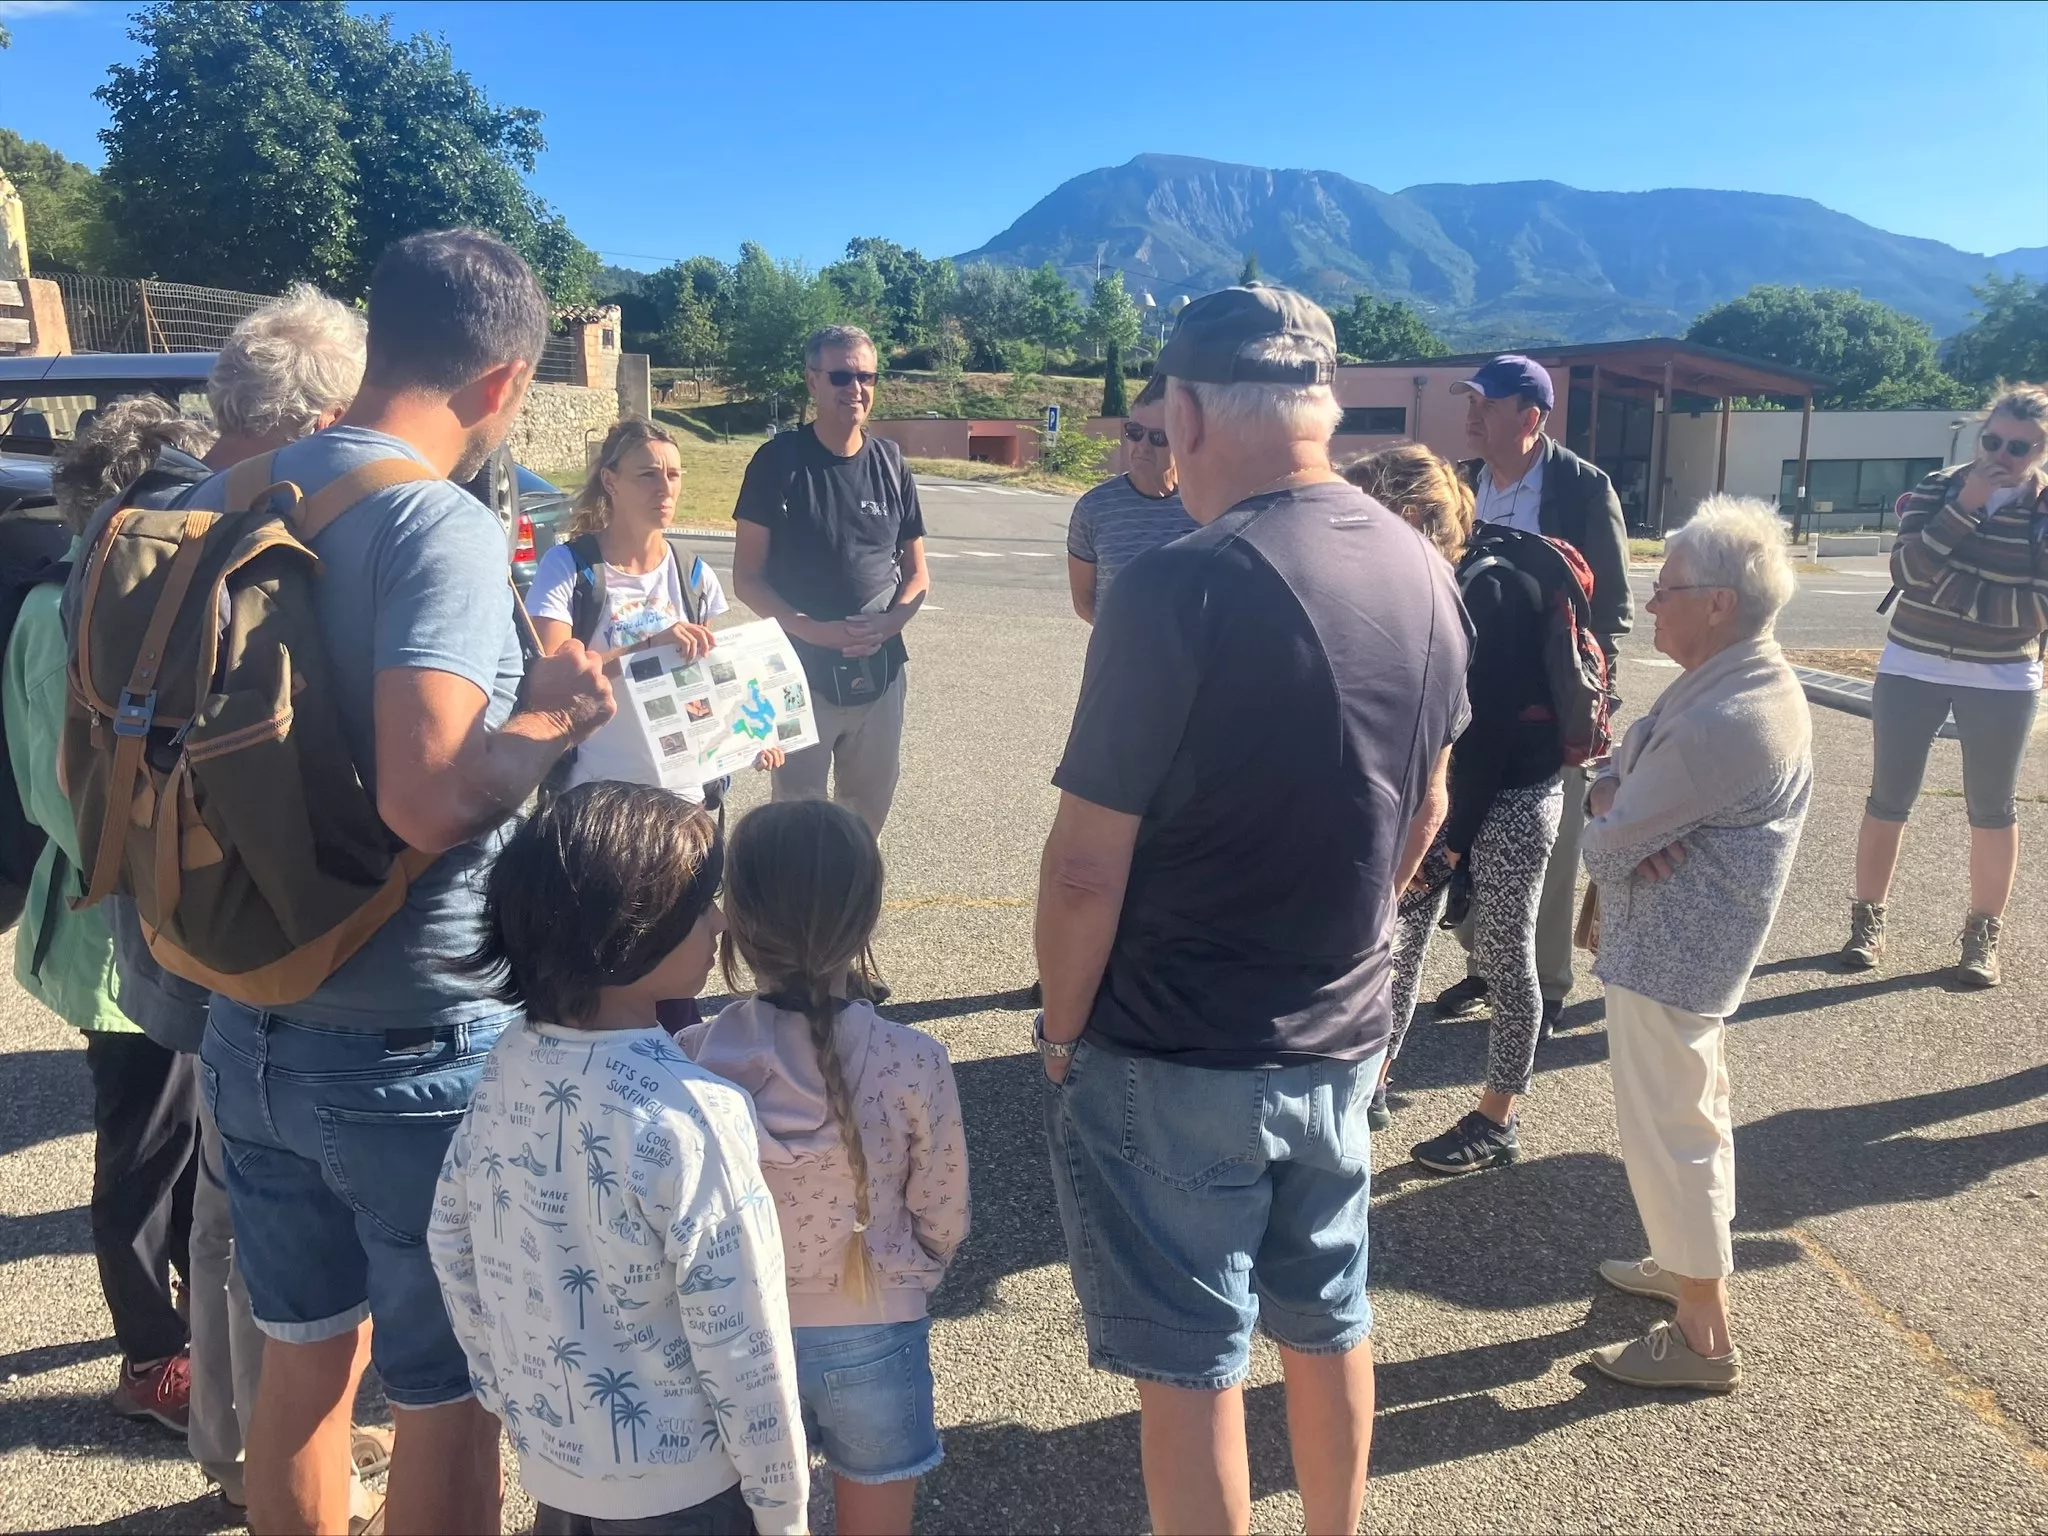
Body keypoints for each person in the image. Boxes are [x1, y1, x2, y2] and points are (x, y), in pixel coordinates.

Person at [187, 228, 615, 1536]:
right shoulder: (434, 517)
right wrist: (554, 717)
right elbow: (427, 795)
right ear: (501, 385)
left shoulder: (243, 486)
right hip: (406, 1053)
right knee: (449, 1395)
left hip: (245, 1019)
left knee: (306, 1364)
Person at [1035, 286, 1468, 1535]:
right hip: (1338, 1032)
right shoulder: (1422, 567)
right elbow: (1427, 809)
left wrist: (1062, 1032)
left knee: (1190, 1365)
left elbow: (1081, 868)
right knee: (1328, 1323)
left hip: (1174, 1042)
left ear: (1181, 410)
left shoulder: (1177, 584)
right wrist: (1350, 938)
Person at [77, 286, 394, 1521]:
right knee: (242, 1205)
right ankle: (264, 1455)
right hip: (238, 930)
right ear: (317, 415)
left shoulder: (135, 520)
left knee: (230, 1188)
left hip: (162, 917)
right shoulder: (236, 534)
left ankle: (249, 1435)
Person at [429, 782, 808, 1536]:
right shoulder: (697, 1113)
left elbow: (450, 1240)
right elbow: (744, 1340)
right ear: (629, 936)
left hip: (559, 1471)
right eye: (698, 907)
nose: (719, 922)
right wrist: (784, 1511)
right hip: (686, 1490)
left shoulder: (507, 1067)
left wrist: (513, 1395)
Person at [682, 799, 969, 1536]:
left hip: (736, 1336)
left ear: (736, 923)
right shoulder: (915, 1061)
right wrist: (907, 1272)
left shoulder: (694, 1056)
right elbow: (943, 1211)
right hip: (876, 1323)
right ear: (867, 916)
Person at [1580, 495, 1809, 1393]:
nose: (1650, 604)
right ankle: (1686, 1270)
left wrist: (1618, 808)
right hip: (1679, 948)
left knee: (1673, 1130)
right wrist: (1625, 798)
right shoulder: (1736, 674)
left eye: (1666, 588)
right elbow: (1625, 765)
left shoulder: (1726, 713)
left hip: (1674, 953)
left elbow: (1606, 839)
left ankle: (1704, 1336)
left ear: (1718, 600)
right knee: (1689, 1118)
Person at [15, 400, 213, 1438]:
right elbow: (59, 793)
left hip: (151, 919)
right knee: (142, 1143)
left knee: (180, 1132)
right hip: (117, 925)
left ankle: (189, 1322)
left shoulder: (88, 598)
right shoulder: (64, 609)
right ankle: (150, 1356)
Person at [1345, 444, 1564, 1171]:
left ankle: (1498, 1117)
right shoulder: (1425, 582)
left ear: (1408, 516)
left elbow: (1491, 736)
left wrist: (1451, 846)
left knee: (1505, 952)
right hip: (1448, 793)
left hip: (1509, 794)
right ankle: (1375, 1080)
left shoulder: (1488, 594)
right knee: (1401, 948)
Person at [1436, 354, 1630, 1036]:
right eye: (1469, 402)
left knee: (1543, 855)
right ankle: (1491, 966)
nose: (1471, 416)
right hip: (1464, 701)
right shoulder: (1460, 484)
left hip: (1549, 705)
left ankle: (1542, 985)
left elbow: (1611, 612)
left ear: (1530, 417)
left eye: (1484, 405)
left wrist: (1591, 703)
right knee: (1455, 841)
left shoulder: (1582, 488)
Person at [1840, 384, 2048, 987]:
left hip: (2004, 675)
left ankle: (1982, 939)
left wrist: (1950, 591)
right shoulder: (1940, 487)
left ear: (2039, 449)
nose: (2001, 454)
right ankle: (1866, 924)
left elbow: (2038, 609)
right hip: (1913, 663)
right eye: (1992, 440)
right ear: (1979, 434)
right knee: (1888, 797)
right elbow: (1907, 570)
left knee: (1992, 807)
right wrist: (1969, 505)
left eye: (2019, 446)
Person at [732, 324, 930, 837]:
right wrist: (811, 629)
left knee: (864, 824)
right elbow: (747, 578)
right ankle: (792, 918)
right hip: (801, 672)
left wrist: (891, 623)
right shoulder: (778, 462)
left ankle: (851, 917)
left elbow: (917, 575)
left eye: (866, 376)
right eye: (841, 376)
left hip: (881, 671)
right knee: (796, 823)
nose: (855, 389)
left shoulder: (890, 464)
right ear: (812, 382)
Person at [529, 418, 727, 792]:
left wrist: (756, 735)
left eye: (673, 474)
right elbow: (554, 684)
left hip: (682, 795)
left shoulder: (694, 574)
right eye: (648, 475)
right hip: (595, 795)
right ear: (610, 481)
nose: (665, 489)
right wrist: (648, 647)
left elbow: (706, 682)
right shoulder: (568, 566)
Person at [1066, 374, 1194, 622]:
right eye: (1135, 432)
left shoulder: (1207, 505)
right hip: (1119, 657)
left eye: (1158, 437)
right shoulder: (1094, 508)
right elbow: (1084, 601)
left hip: (1189, 658)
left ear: (1183, 438)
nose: (1143, 446)